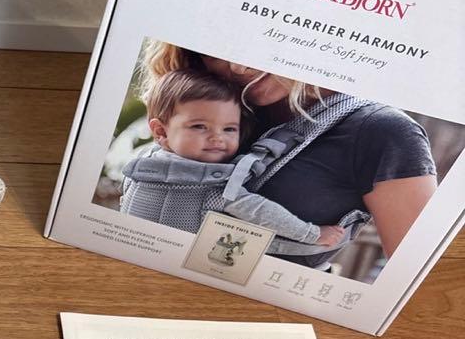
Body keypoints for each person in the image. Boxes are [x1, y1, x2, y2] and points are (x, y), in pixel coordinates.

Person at [138, 43, 438, 266]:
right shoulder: (204, 105)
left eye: (259, 42)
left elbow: (417, 276)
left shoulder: (382, 132)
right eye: (217, 52)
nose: (239, 68)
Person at [120, 69, 344, 247]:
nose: (217, 138)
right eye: (199, 126)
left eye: (229, 129)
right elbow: (263, 213)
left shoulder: (139, 166)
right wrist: (313, 234)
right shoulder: (215, 185)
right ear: (161, 131)